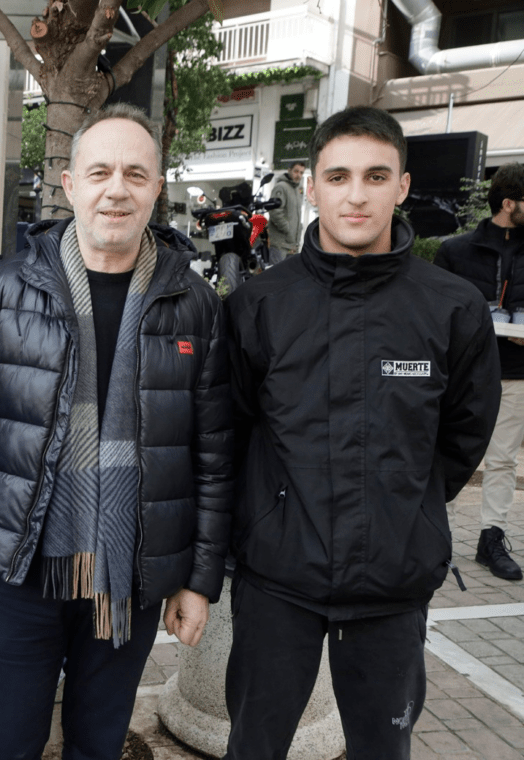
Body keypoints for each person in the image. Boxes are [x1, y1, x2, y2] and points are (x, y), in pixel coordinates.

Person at [0, 103, 233, 760]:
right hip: (24, 563)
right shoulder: (5, 289)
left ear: (157, 188)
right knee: (11, 742)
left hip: (130, 569)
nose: (116, 189)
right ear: (70, 185)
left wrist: (199, 579)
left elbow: (212, 453)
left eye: (135, 174)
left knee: (99, 744)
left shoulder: (196, 305)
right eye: (99, 172)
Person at [224, 106, 500, 759]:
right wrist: (266, 518)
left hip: (393, 584)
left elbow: (463, 436)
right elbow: (231, 432)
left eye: (376, 176)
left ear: (402, 186)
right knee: (254, 747)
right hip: (277, 580)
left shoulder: (452, 307)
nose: (356, 195)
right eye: (338, 176)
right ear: (311, 185)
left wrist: (405, 505)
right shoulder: (259, 305)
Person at [435, 162, 524, 581]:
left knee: (503, 460)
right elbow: (434, 314)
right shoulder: (455, 251)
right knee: (447, 453)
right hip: (462, 375)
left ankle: (492, 539)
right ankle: (438, 538)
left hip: (516, 372)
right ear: (508, 204)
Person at [267, 160, 305, 256]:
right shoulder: (281, 187)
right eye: (296, 171)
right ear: (289, 170)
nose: (298, 175)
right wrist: (288, 229)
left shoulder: (299, 189)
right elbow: (275, 211)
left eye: (301, 173)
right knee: (278, 266)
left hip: (292, 245)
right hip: (280, 244)